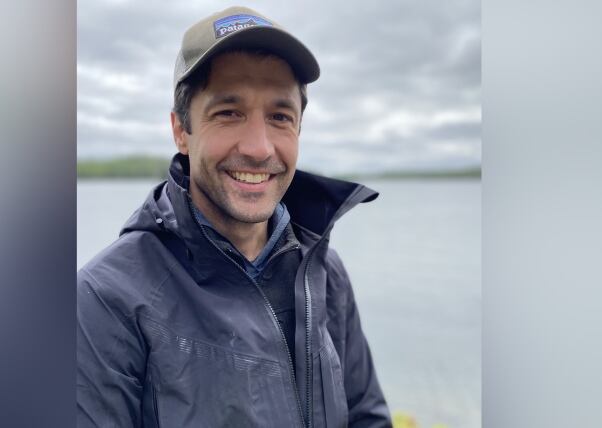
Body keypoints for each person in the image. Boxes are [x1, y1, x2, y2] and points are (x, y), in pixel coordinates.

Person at [77, 6, 391, 427]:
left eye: (280, 117)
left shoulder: (325, 272)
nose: (260, 148)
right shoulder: (104, 300)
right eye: (229, 113)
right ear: (181, 130)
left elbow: (366, 416)